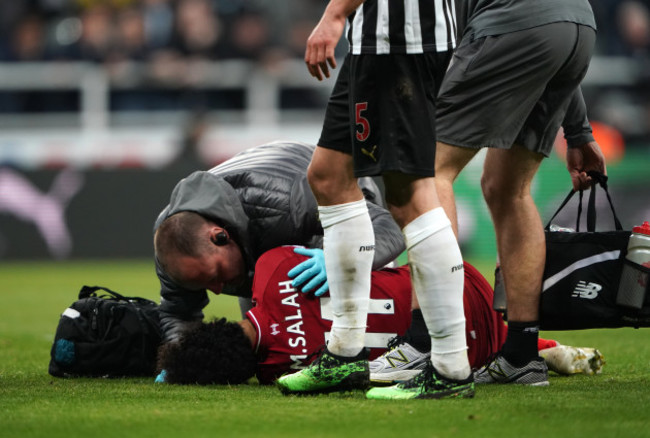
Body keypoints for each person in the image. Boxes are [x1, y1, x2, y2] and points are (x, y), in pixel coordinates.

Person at [275, 0, 475, 400]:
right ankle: (345, 352)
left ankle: (451, 369)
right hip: (377, 42)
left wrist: (334, 14)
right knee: (329, 176)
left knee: (410, 195)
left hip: (399, 41)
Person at [430, 0, 606, 387]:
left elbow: (442, 40)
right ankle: (522, 355)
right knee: (509, 189)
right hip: (578, 25)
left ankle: (430, 345)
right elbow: (550, 30)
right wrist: (579, 133)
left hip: (511, 23)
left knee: (428, 170)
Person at [156, 246, 604, 385]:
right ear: (213, 325)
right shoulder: (274, 266)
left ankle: (543, 350)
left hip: (470, 351)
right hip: (458, 285)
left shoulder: (280, 372)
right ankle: (536, 345)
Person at [153, 140, 405, 344]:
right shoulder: (173, 243)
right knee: (269, 345)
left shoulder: (290, 201)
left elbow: (389, 227)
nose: (218, 290)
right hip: (260, 235)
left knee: (351, 319)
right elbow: (179, 314)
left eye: (216, 275)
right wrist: (180, 358)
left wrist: (340, 259)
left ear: (220, 235)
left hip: (340, 191)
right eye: (204, 285)